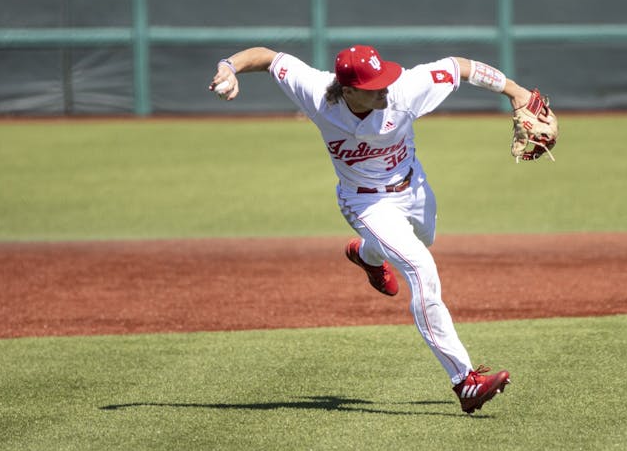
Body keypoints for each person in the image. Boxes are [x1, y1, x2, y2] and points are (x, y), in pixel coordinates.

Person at [209, 44, 537, 414]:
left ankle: (366, 255)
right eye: (373, 86)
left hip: (414, 188)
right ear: (346, 89)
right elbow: (268, 58)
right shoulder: (317, 93)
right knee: (420, 267)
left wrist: (516, 92)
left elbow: (460, 67)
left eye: (384, 80)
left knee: (425, 238)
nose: (384, 89)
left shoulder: (404, 88)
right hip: (365, 202)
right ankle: (465, 382)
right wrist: (228, 67)